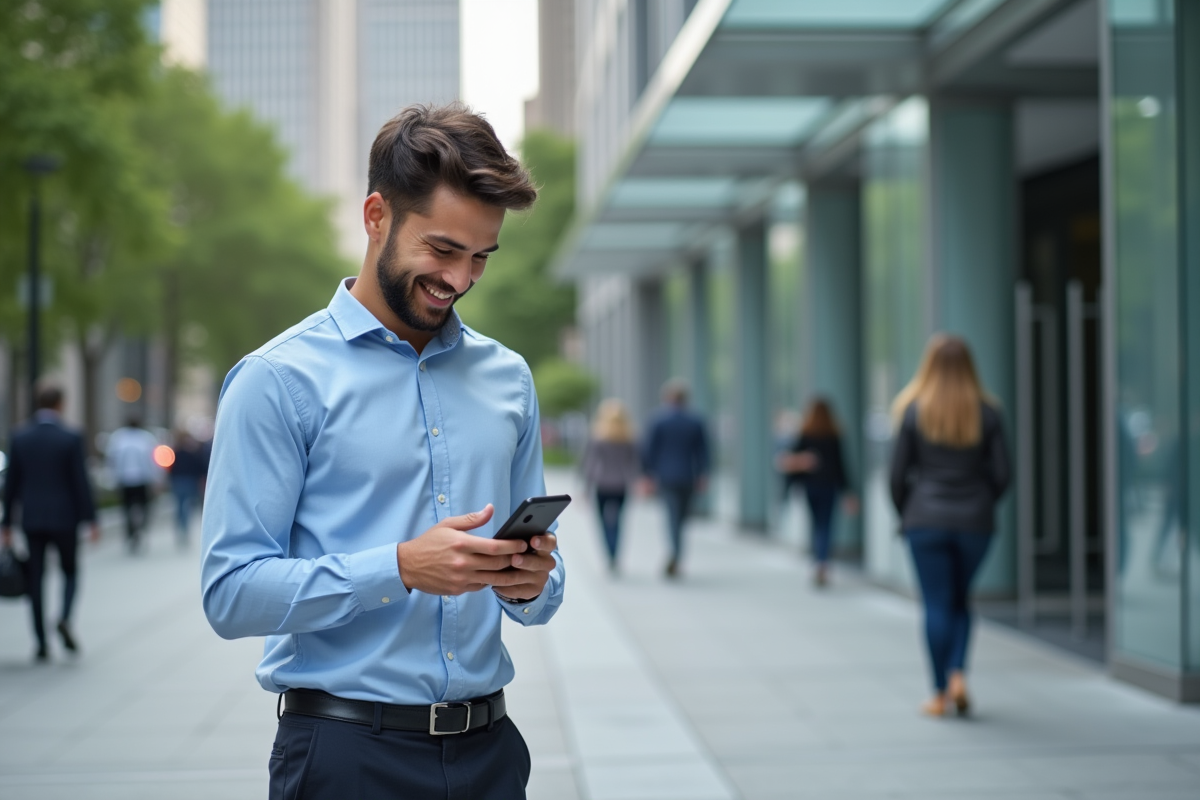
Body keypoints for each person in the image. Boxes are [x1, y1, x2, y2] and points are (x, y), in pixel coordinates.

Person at [200, 103, 564, 800]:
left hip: (491, 757)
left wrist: (532, 580)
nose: (460, 278)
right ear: (376, 217)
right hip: (345, 760)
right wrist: (397, 568)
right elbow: (230, 593)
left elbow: (542, 594)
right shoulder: (277, 380)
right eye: (442, 249)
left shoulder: (508, 379)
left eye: (481, 256)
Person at [890, 335, 1011, 718]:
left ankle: (940, 691)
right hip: (974, 521)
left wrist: (904, 513)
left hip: (925, 519)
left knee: (936, 604)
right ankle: (959, 673)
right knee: (961, 600)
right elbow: (1004, 474)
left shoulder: (913, 411)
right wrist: (981, 502)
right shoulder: (988, 413)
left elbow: (896, 476)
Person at [1, 383, 99, 662]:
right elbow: (80, 481)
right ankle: (65, 617)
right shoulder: (70, 437)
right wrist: (91, 519)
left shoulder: (20, 436)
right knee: (70, 571)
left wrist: (7, 524)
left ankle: (40, 641)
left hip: (32, 519)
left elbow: (12, 485)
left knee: (35, 578)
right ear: (61, 404)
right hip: (65, 517)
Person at [776, 397, 855, 587]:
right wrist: (849, 492)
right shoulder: (834, 435)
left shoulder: (806, 434)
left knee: (816, 524)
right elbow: (841, 466)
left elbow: (788, 458)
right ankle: (822, 562)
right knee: (826, 525)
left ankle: (818, 562)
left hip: (811, 486)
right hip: (829, 487)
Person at [641, 379, 710, 578]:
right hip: (689, 475)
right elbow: (703, 451)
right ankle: (677, 554)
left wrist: (647, 475)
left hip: (666, 476)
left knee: (672, 517)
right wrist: (703, 474)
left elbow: (648, 450)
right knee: (681, 518)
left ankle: (675, 553)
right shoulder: (695, 420)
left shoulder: (658, 420)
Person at [581, 399, 640, 573]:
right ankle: (615, 553)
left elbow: (589, 464)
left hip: (602, 484)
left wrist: (586, 487)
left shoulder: (598, 437)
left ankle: (609, 553)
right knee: (618, 521)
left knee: (603, 522)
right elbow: (634, 463)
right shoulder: (628, 437)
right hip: (621, 484)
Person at [105, 415, 160, 552]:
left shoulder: (118, 438)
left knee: (127, 508)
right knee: (142, 507)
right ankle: (137, 529)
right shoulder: (146, 438)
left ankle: (132, 531)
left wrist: (113, 478)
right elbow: (152, 461)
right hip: (141, 479)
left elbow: (112, 460)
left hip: (126, 479)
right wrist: (156, 478)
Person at [168, 429, 208, 546]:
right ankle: (183, 528)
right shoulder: (189, 453)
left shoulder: (178, 453)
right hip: (185, 481)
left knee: (182, 506)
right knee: (184, 506)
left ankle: (181, 528)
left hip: (184, 482)